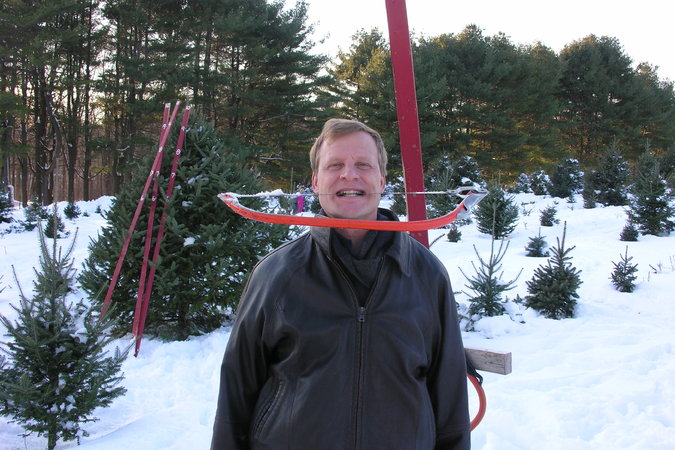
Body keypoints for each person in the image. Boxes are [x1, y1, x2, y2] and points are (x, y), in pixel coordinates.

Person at [211, 118, 470, 449]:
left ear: (382, 179)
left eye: (363, 164)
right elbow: (236, 396)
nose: (349, 174)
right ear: (316, 181)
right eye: (335, 165)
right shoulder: (276, 274)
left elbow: (450, 399)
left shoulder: (426, 274)